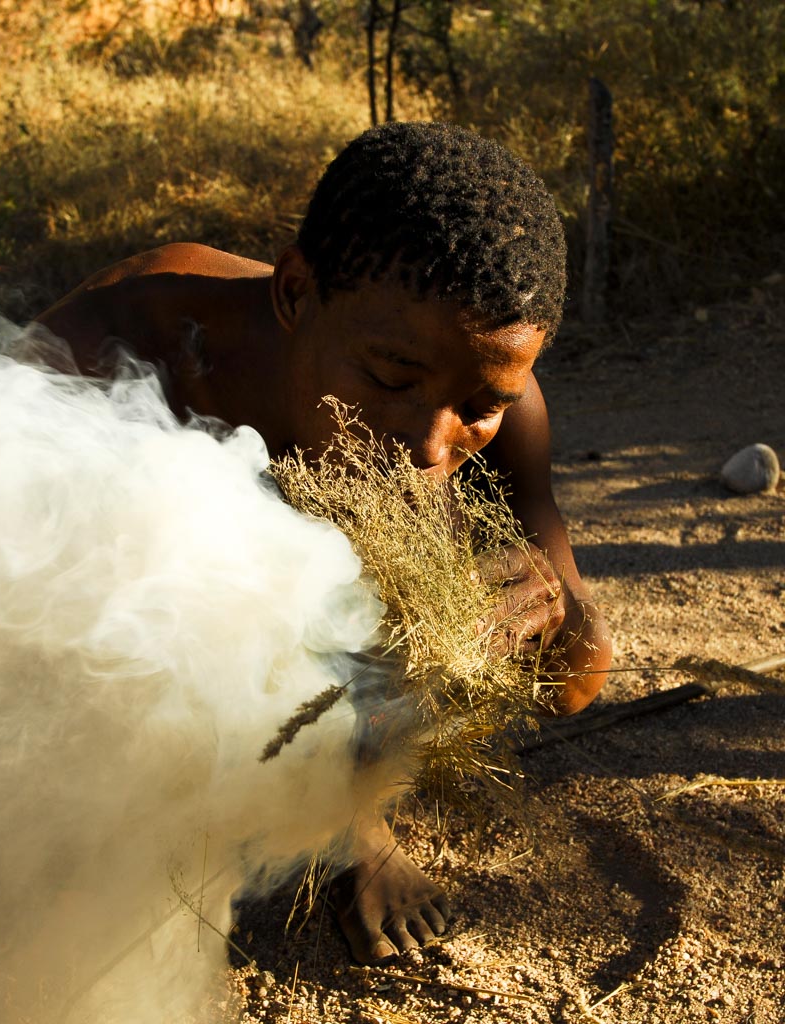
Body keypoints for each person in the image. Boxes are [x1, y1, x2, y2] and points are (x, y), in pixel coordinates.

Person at [35, 120, 613, 964]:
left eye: (480, 406)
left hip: (303, 710)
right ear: (296, 292)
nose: (430, 442)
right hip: (92, 643)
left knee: (410, 599)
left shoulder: (496, 399)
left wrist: (555, 614)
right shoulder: (123, 348)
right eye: (389, 379)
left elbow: (574, 684)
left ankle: (351, 821)